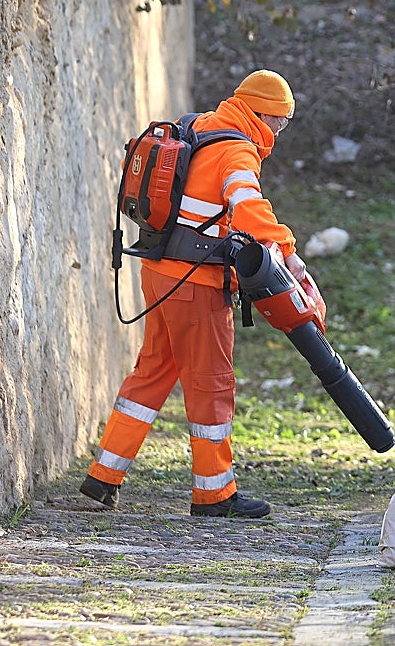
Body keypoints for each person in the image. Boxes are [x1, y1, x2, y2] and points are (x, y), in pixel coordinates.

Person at [80, 70, 308, 518]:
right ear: (262, 113)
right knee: (211, 384)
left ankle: (104, 475)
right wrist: (287, 252)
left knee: (151, 374)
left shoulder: (201, 125)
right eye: (280, 120)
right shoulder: (237, 149)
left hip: (159, 272)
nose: (280, 130)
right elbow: (247, 205)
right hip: (196, 283)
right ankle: (214, 494)